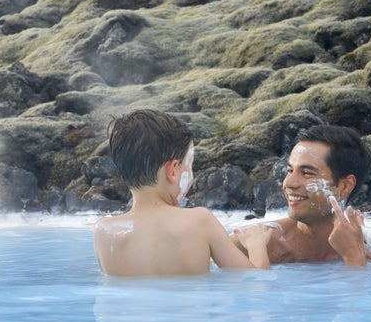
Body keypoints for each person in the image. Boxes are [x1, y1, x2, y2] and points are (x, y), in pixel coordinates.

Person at [93, 109, 273, 277]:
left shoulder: (104, 232)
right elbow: (256, 281)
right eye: (190, 165)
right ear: (172, 171)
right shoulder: (200, 221)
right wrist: (255, 242)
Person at [230, 124, 371, 265]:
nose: (289, 183)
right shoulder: (250, 243)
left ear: (344, 185)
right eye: (290, 170)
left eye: (306, 173)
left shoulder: (367, 254)